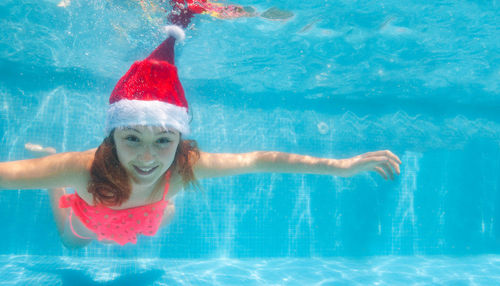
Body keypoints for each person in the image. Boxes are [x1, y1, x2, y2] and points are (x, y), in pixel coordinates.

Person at [0, 23, 401, 248]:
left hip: (149, 213)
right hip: (94, 209)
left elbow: (260, 160)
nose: (147, 158)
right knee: (75, 244)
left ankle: (157, 208)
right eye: (132, 139)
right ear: (111, 138)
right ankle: (56, 190)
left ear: (180, 140)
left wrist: (342, 167)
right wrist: (59, 175)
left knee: (165, 210)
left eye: (163, 140)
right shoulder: (83, 168)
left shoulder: (186, 165)